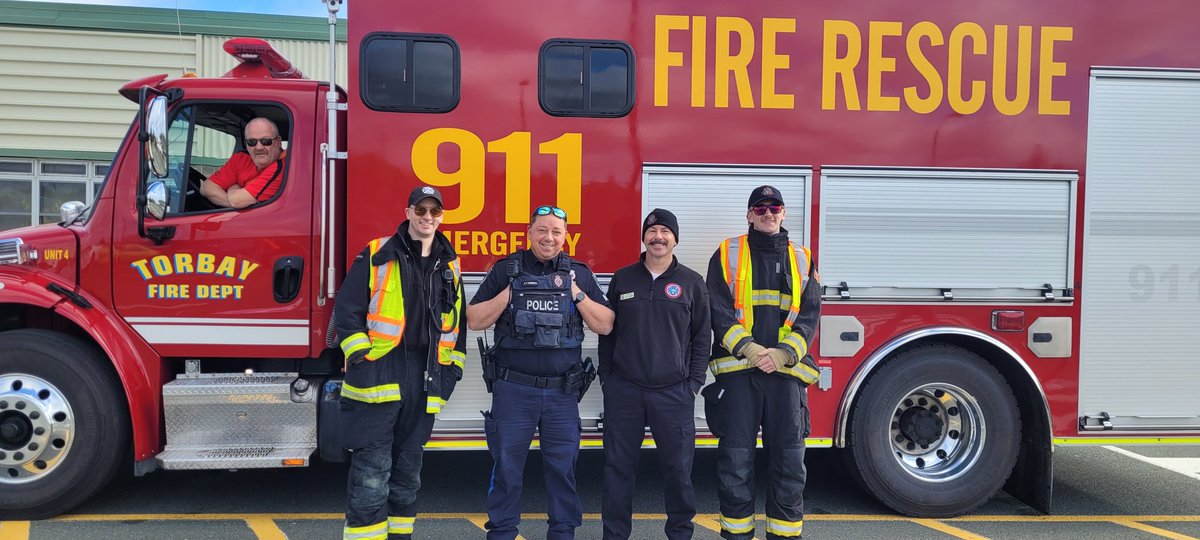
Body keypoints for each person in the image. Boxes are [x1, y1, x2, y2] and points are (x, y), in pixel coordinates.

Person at [467, 205, 615, 540]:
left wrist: (575, 293)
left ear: (566, 236)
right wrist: (512, 291)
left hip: (562, 394)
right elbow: (474, 319)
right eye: (542, 230)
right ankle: (502, 533)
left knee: (563, 471)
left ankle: (562, 534)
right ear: (529, 232)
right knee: (506, 470)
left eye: (556, 232)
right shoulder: (506, 269)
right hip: (513, 391)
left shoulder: (579, 272)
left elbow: (606, 324)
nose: (549, 237)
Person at [334, 185, 467, 540]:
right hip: (378, 373)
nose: (427, 218)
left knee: (408, 472)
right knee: (371, 473)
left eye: (434, 212)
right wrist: (361, 357)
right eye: (420, 210)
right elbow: (346, 313)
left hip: (422, 378)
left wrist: (451, 372)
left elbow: (459, 325)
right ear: (408, 212)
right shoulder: (377, 253)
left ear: (442, 217)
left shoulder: (449, 264)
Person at [704, 185, 821, 540]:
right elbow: (718, 311)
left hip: (785, 377)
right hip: (740, 376)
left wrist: (782, 355)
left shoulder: (803, 257)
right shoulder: (727, 253)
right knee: (736, 465)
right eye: (760, 207)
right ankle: (737, 535)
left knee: (789, 465)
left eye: (775, 207)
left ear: (784, 213)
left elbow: (810, 316)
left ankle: (784, 535)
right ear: (749, 214)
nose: (768, 213)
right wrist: (754, 352)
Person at [598, 208, 711, 540]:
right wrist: (607, 378)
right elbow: (608, 331)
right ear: (644, 237)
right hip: (625, 391)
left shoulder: (692, 283)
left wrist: (693, 383)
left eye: (665, 231)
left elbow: (702, 336)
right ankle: (614, 535)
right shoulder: (623, 278)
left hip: (674, 392)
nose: (658, 236)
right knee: (617, 470)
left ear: (675, 238)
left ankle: (680, 533)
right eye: (652, 231)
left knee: (678, 472)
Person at [200, 117, 287, 208]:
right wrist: (235, 201)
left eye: (265, 141)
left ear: (278, 142)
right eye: (251, 142)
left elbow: (237, 201)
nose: (259, 147)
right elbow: (206, 188)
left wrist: (233, 187)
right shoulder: (241, 158)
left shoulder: (283, 166)